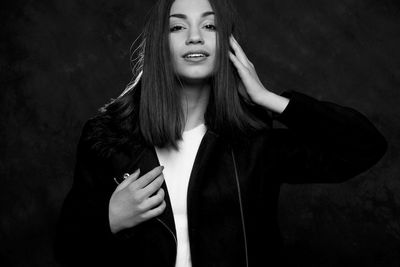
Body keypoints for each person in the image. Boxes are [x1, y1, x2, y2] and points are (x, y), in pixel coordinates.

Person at [54, 0, 387, 266]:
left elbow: (364, 146)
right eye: (177, 26)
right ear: (159, 43)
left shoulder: (254, 141)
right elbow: (67, 249)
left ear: (228, 43)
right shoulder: (108, 137)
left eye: (210, 25)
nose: (195, 36)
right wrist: (109, 218)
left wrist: (270, 100)